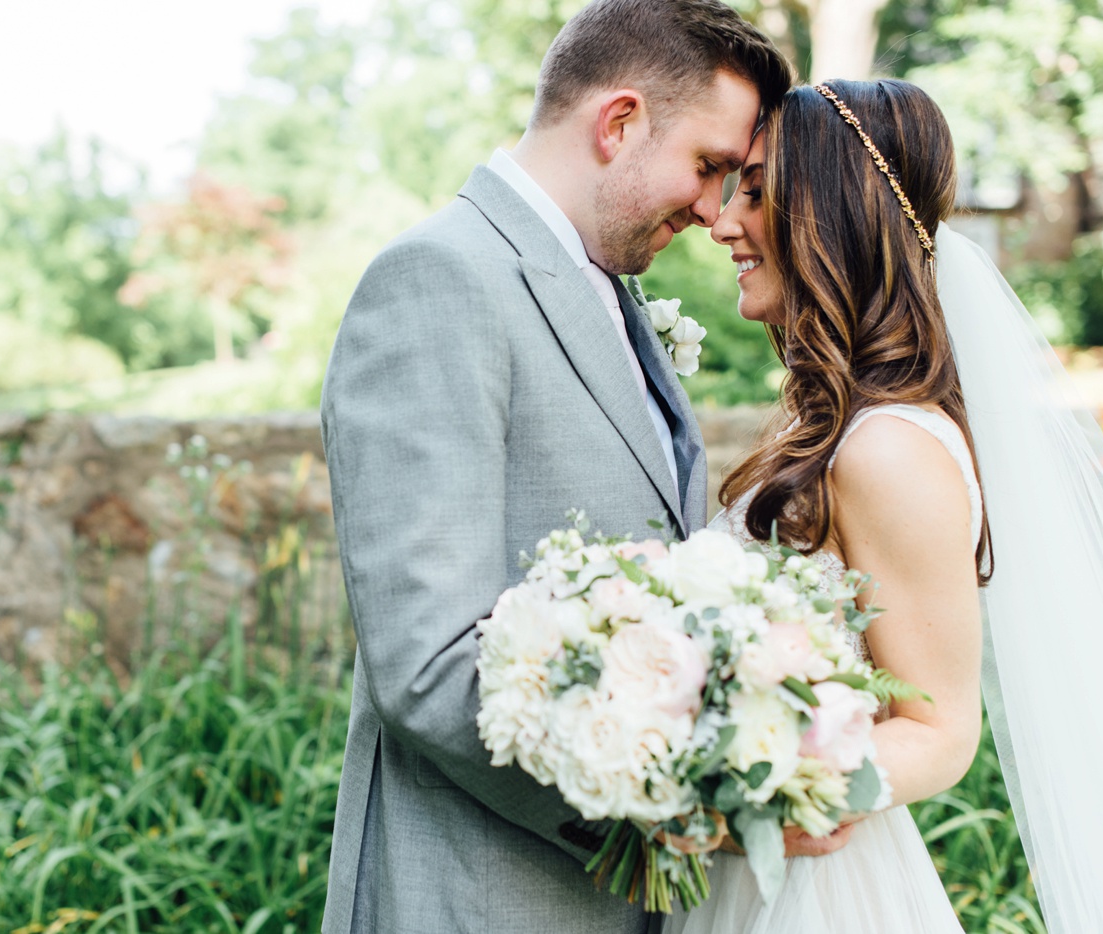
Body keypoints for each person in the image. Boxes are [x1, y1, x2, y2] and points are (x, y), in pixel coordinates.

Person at [317, 2, 794, 931]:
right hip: (487, 893)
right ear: (618, 123)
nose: (713, 210)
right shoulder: (439, 281)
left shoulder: (606, 289)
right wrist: (672, 817)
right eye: (708, 167)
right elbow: (428, 664)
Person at [672, 77, 1103, 933]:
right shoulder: (839, 427)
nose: (724, 221)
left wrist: (750, 787)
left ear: (832, 212)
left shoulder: (886, 449)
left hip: (817, 895)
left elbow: (938, 729)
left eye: (760, 192)